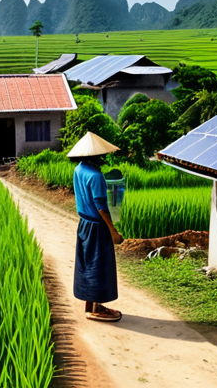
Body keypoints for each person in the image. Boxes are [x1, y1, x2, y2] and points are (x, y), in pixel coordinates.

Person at [67, 131, 124, 322]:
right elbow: (101, 207)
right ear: (95, 155)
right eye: (102, 155)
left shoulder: (79, 169)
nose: (104, 158)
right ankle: (96, 309)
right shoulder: (96, 176)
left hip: (84, 224)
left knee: (87, 264)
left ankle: (90, 305)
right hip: (97, 226)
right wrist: (113, 231)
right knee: (100, 266)